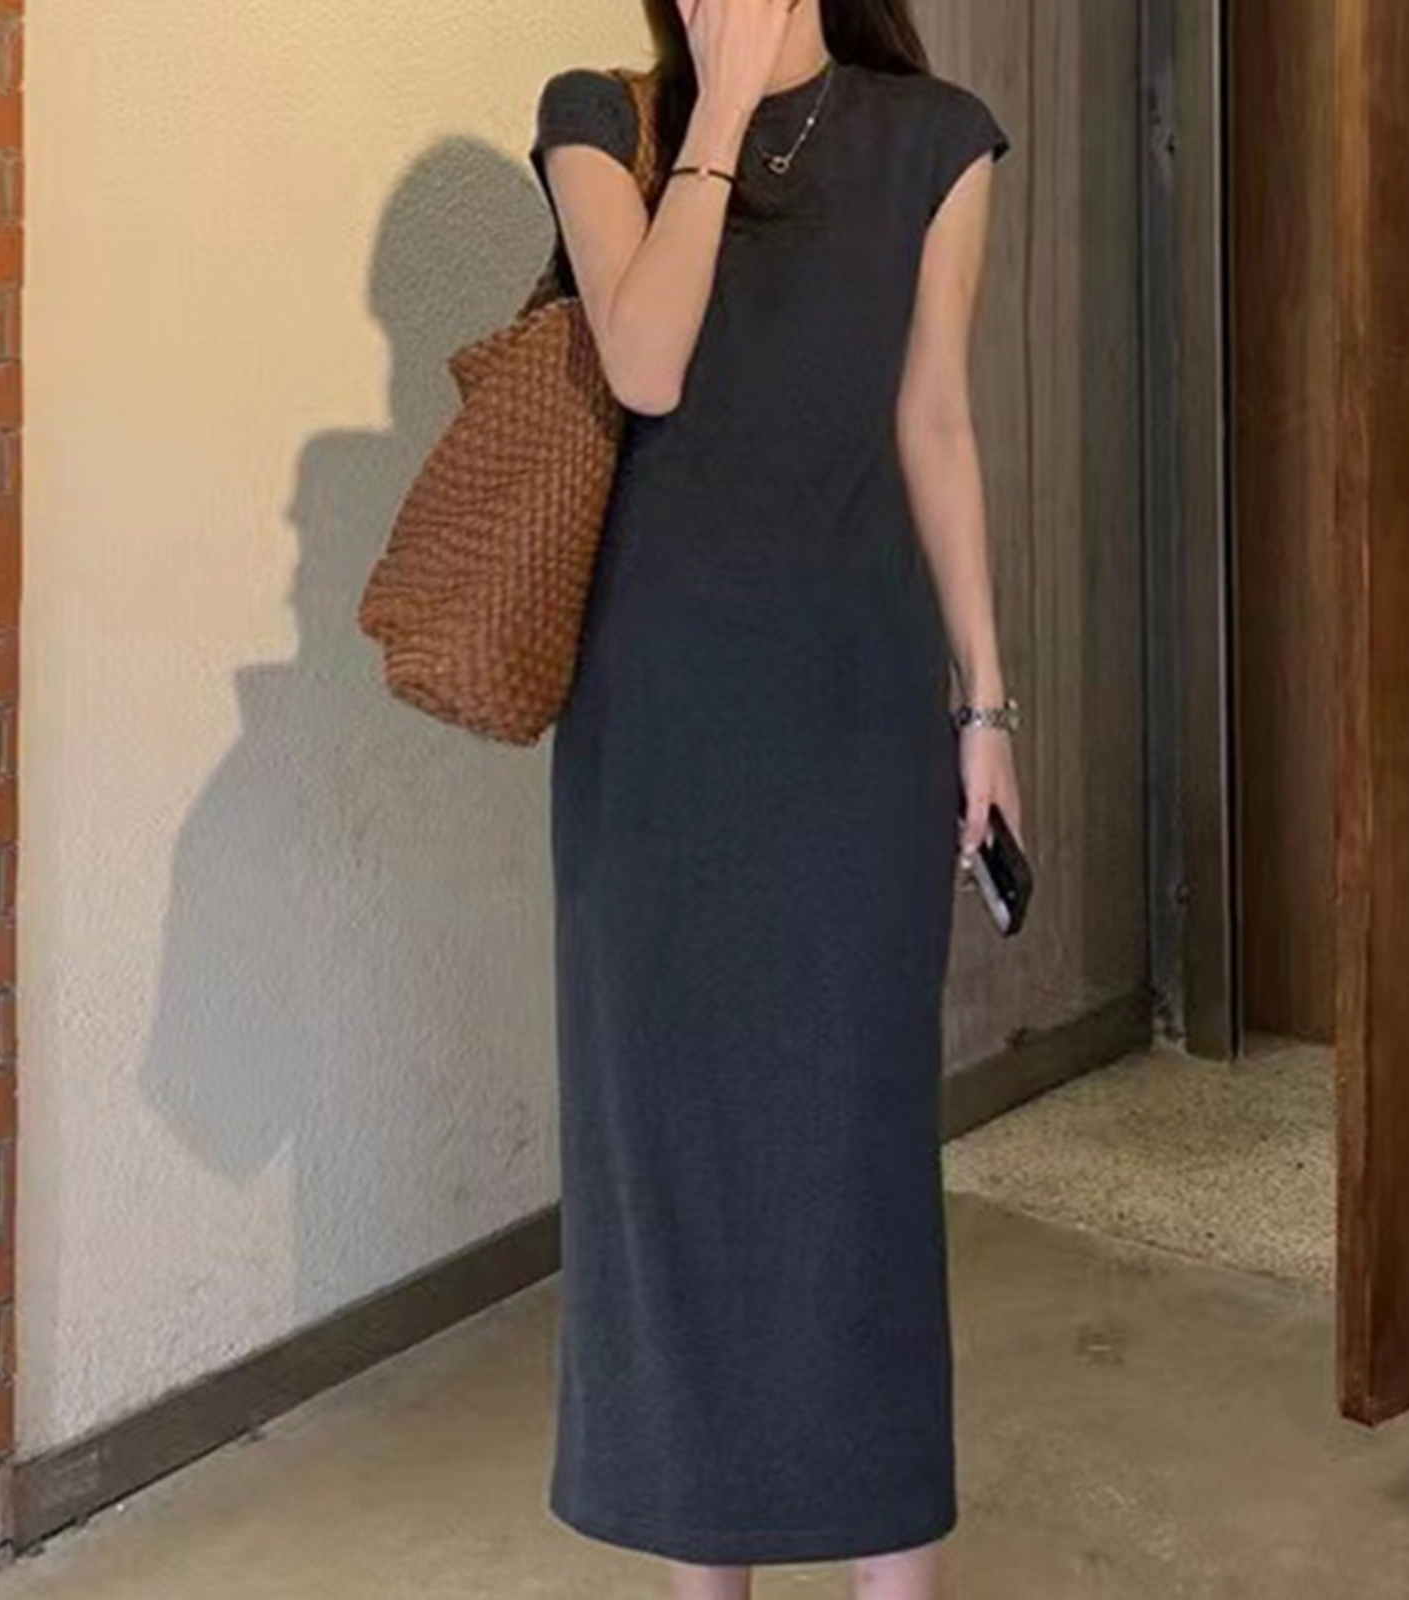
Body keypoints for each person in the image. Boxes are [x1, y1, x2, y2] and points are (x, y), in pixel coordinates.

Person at [528, 2, 1022, 1596]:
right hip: (657, 746)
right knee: (678, 1173)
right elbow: (646, 360)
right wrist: (721, 111)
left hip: (853, 725)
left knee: (857, 1171)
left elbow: (933, 422)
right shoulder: (602, 120)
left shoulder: (934, 142)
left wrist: (986, 709)